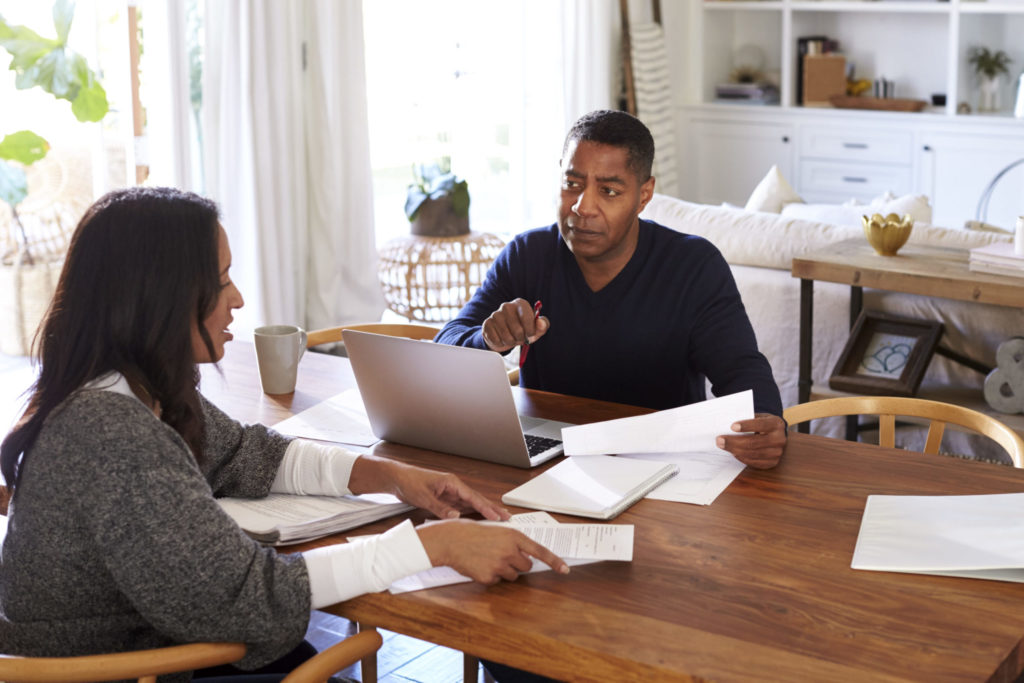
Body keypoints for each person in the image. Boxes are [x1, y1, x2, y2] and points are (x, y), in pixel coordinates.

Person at [0, 187, 567, 681]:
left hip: (149, 647)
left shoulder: (126, 387)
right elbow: (250, 596)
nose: (239, 298)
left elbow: (243, 453)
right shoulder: (115, 439)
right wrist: (433, 545)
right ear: (159, 298)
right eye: (220, 281)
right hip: (130, 670)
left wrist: (389, 477)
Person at [437, 110, 787, 470]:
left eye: (609, 191)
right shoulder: (528, 254)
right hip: (549, 461)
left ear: (644, 195)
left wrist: (764, 422)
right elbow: (443, 348)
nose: (582, 206)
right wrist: (486, 340)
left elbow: (741, 371)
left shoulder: (693, 266)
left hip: (662, 464)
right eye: (572, 184)